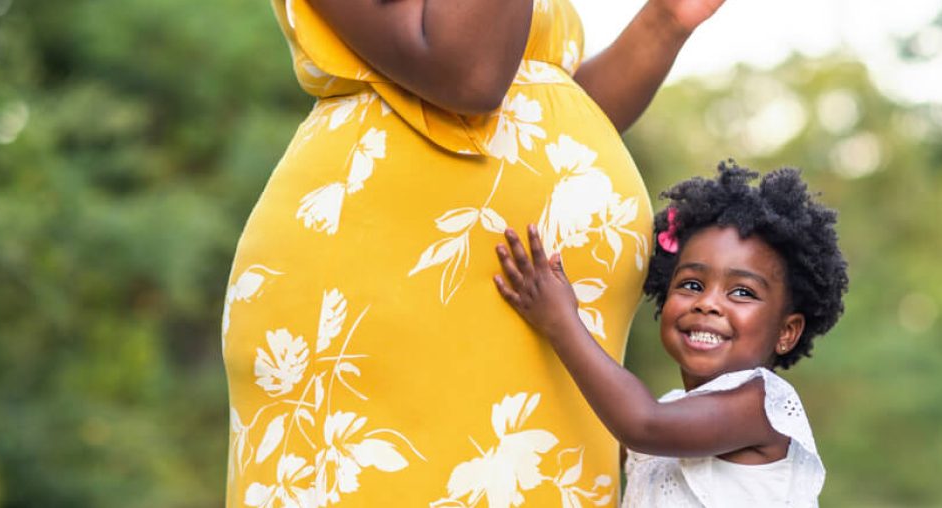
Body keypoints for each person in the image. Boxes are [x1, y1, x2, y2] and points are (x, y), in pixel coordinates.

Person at [223, 0, 724, 505]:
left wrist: (665, 19)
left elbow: (536, 112)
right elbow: (468, 74)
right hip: (392, 281)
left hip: (540, 334)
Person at [493, 164, 849, 507]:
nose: (707, 304)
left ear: (786, 332)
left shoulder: (762, 405)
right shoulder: (670, 411)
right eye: (692, 285)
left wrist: (561, 321)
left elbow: (642, 424)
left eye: (742, 292)